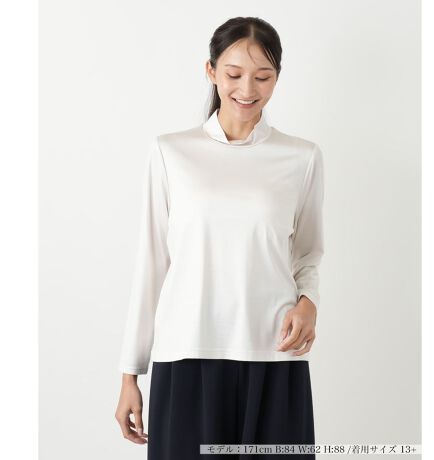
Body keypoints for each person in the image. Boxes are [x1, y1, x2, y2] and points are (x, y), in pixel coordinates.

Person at [115, 16, 324, 460]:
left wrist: (308, 302)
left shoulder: (301, 157)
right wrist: (130, 374)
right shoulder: (171, 152)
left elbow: (307, 253)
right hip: (187, 353)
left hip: (273, 355)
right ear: (210, 71)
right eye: (233, 74)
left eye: (262, 77)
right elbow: (151, 263)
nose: (247, 89)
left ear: (277, 77)